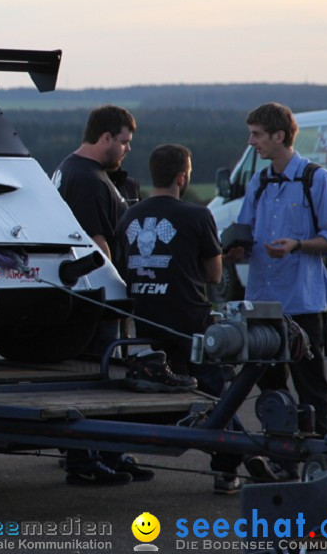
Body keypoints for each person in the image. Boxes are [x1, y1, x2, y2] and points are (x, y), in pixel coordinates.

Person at [52, 106, 191, 486]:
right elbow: (99, 247)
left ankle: (110, 453)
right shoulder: (90, 180)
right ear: (106, 137)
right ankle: (85, 461)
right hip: (98, 300)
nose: (127, 150)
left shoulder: (69, 169)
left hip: (82, 298)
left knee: (101, 379)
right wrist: (119, 299)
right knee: (98, 382)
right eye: (124, 142)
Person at [225, 102, 327, 482]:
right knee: (269, 386)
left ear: (280, 136)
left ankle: (322, 464)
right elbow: (245, 229)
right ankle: (282, 460)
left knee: (311, 387)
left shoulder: (317, 179)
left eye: (257, 134)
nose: (252, 141)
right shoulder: (259, 182)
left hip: (302, 300)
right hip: (262, 300)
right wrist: (237, 249)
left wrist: (296, 244)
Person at [115, 144, 242, 494]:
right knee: (218, 395)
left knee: (158, 396)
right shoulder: (197, 216)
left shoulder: (129, 217)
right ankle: (228, 468)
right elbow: (215, 276)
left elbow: (126, 267)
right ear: (182, 177)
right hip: (191, 323)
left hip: (147, 325)